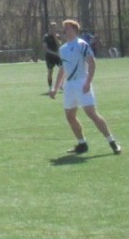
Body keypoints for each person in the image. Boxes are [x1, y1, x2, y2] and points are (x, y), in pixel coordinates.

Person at [49, 19, 121, 155]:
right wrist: (55, 87)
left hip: (81, 82)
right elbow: (63, 69)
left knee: (91, 113)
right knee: (70, 116)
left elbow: (92, 63)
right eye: (64, 28)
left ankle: (112, 142)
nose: (65, 31)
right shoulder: (63, 49)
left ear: (75, 30)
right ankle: (82, 144)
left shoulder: (82, 45)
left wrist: (88, 82)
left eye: (68, 28)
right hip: (69, 85)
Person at [42, 22, 62, 93]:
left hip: (57, 57)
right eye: (52, 27)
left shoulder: (57, 36)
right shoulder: (46, 37)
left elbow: (60, 45)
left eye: (54, 27)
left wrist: (55, 37)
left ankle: (61, 85)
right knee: (50, 72)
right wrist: (54, 53)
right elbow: (45, 48)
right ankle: (50, 87)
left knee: (63, 69)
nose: (53, 29)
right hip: (49, 57)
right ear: (49, 28)